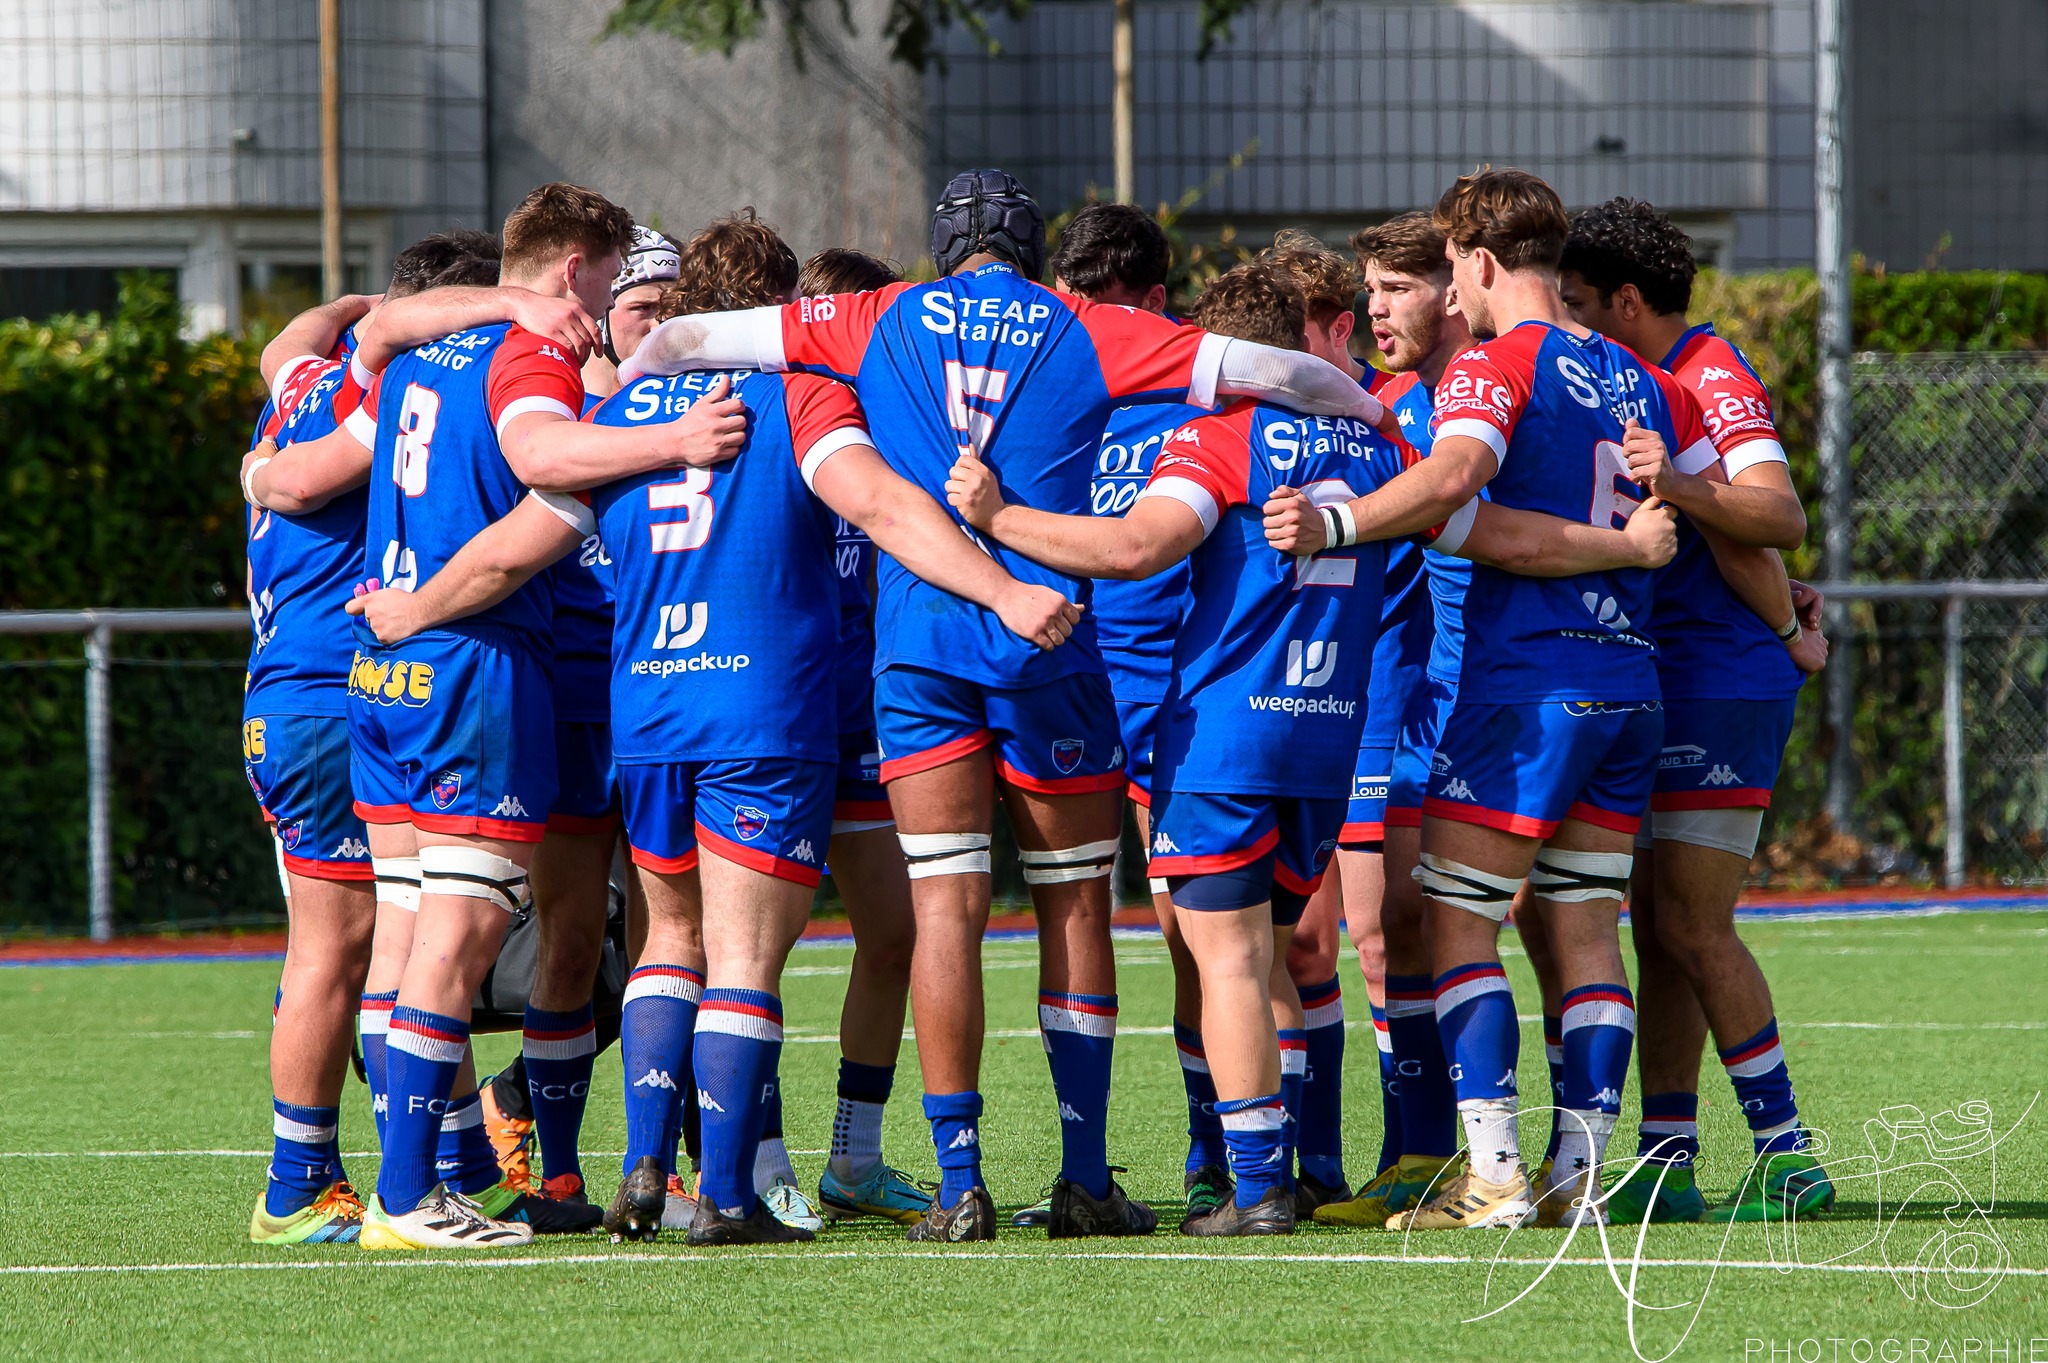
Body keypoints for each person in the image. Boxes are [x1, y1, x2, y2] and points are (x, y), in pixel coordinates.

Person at [619, 168, 1398, 1243]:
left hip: (919, 650)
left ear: (942, 249)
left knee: (944, 910)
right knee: (1074, 904)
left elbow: (684, 341)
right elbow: (1274, 369)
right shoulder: (1088, 324)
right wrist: (1364, 408)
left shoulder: (870, 316)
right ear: (1032, 251)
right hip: (1050, 639)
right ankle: (1083, 1176)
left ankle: (959, 1182)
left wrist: (638, 385)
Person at [348, 209, 1079, 1246]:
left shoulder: (627, 404)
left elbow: (526, 535)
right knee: (742, 957)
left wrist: (415, 605)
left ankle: (644, 1164)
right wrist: (1002, 589)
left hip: (648, 712)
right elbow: (879, 506)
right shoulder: (798, 392)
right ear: (781, 310)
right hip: (761, 709)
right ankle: (730, 1194)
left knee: (667, 942)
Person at [948, 262, 1676, 1234]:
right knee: (1281, 958)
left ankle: (1257, 1189)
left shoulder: (1219, 434)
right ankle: (1312, 1164)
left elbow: (1132, 549)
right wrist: (1624, 548)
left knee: (1229, 962)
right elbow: (1500, 534)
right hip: (1328, 745)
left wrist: (997, 518)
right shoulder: (1382, 449)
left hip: (1226, 739)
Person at [1265, 167, 1708, 1231]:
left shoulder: (1494, 363)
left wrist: (1337, 521)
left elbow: (1456, 474)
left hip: (1527, 688)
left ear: (1476, 261)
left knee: (1459, 924)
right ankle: (1579, 1176)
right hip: (1625, 684)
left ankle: (1495, 1175)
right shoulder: (1634, 376)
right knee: (1586, 933)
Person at [240, 230, 573, 1246]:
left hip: (298, 690)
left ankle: (459, 1165)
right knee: (344, 948)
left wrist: (347, 313)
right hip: (327, 689)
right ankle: (298, 1183)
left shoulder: (305, 378)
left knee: (409, 933)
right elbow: (306, 482)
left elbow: (285, 344)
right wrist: (270, 478)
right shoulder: (386, 389)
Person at [1559, 197, 1835, 1224]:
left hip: (1720, 680)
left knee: (1688, 919)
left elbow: (1773, 515)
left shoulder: (1706, 374)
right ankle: (1666, 1155)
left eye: (1580, 301)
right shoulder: (1630, 379)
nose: (1569, 318)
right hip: (1667, 673)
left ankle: (1787, 1151)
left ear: (1627, 300)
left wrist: (1677, 485)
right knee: (1657, 922)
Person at [1023, 201, 1226, 1225]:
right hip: (1107, 695)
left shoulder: (1184, 384)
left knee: (1187, 936)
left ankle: (1199, 1155)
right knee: (1120, 923)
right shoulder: (1094, 377)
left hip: (1136, 694)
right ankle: (1142, 1163)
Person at [1308, 212, 1473, 1227]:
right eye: (1366, 291)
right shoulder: (1386, 407)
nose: (1374, 310)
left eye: (1394, 288)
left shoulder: (1458, 403)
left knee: (1412, 926)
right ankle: (1412, 1149)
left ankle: (1451, 1150)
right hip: (1382, 703)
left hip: (1440, 702)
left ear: (1452, 290)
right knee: (1377, 932)